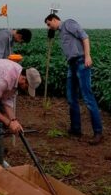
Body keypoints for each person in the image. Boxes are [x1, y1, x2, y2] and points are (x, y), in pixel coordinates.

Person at [44, 14, 103, 145]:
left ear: (54, 19)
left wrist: (88, 56)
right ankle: (76, 129)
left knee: (87, 97)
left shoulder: (68, 23)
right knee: (71, 98)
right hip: (72, 64)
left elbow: (85, 37)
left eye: (49, 24)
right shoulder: (60, 32)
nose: (49, 27)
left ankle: (98, 132)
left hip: (82, 62)